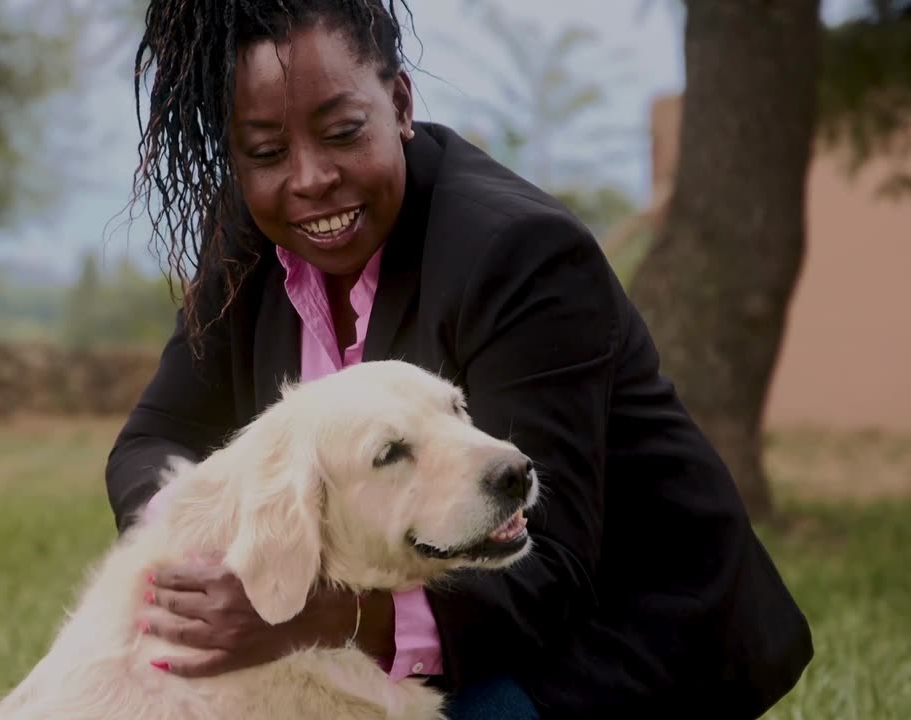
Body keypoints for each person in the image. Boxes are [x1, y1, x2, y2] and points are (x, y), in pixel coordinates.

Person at [103, 1, 814, 717]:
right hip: (391, 628)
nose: (310, 177)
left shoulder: (520, 254)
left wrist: (311, 620)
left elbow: (550, 564)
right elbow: (152, 440)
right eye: (264, 152)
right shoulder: (255, 233)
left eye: (343, 132)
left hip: (605, 632)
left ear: (401, 104)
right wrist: (201, 562)